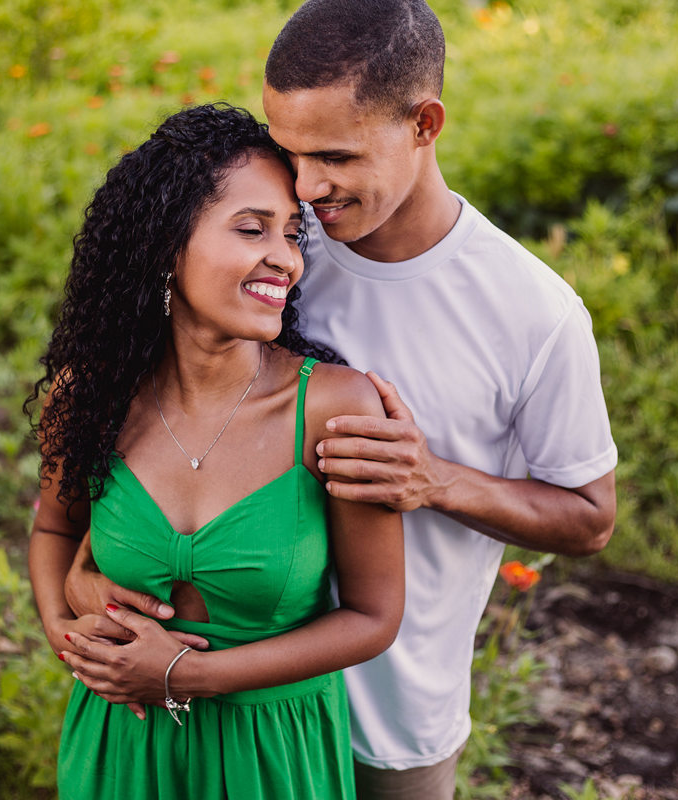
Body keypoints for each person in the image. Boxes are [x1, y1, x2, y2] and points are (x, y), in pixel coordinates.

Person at [63, 2, 618, 799]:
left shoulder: (532, 311)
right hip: (204, 705)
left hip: (388, 721)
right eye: (290, 151)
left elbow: (591, 517)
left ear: (424, 123)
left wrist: (439, 481)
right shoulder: (278, 243)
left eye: (334, 155)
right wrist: (90, 572)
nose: (309, 185)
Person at [26, 103, 403, 800]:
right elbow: (54, 529)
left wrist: (186, 675)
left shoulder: (334, 409)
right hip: (121, 745)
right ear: (167, 243)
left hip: (271, 756)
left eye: (292, 234)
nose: (285, 259)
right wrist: (64, 632)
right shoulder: (93, 397)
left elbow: (375, 617)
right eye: (252, 228)